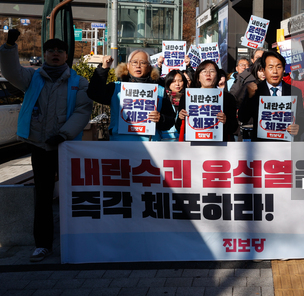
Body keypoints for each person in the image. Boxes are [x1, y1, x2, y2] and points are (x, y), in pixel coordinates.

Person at [0, 30, 93, 262]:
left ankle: (79, 240)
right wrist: (10, 46)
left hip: (67, 147)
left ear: (66, 56)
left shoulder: (79, 82)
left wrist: (63, 135)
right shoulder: (32, 78)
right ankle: (43, 245)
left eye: (60, 51)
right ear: (44, 54)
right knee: (42, 197)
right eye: (51, 50)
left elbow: (83, 110)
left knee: (72, 195)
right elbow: (10, 72)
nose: (55, 54)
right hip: (40, 147)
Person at [87, 52, 175, 140]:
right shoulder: (116, 88)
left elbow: (170, 120)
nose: (138, 66)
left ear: (149, 67)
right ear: (128, 66)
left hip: (151, 145)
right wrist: (103, 69)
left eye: (143, 63)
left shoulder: (159, 91)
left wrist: (161, 118)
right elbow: (94, 94)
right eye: (134, 62)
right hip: (119, 145)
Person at [238, 51, 304, 141]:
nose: (275, 72)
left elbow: (301, 117)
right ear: (263, 70)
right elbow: (243, 117)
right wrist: (249, 97)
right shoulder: (255, 91)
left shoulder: (294, 91)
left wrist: (298, 127)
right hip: (262, 146)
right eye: (270, 67)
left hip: (286, 145)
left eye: (278, 67)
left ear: (284, 69)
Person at [176, 60, 238, 142]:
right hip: (195, 146)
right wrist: (181, 118)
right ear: (198, 78)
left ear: (217, 77)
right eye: (204, 71)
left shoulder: (228, 98)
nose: (208, 74)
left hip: (220, 147)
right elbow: (178, 128)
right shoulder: (188, 97)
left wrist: (225, 121)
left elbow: (234, 127)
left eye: (212, 71)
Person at [160, 70, 188, 140]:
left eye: (180, 81)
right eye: (173, 81)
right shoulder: (162, 98)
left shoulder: (189, 99)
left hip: (184, 139)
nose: (177, 84)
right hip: (163, 139)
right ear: (168, 82)